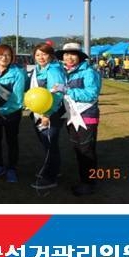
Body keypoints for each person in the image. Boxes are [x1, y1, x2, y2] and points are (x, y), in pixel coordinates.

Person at [58, 41, 102, 196]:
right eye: (66, 54)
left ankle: (89, 183)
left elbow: (91, 94)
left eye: (73, 54)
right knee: (78, 148)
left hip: (87, 116)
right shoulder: (65, 72)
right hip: (72, 116)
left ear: (79, 56)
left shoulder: (89, 72)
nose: (69, 57)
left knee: (86, 150)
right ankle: (84, 178)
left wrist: (67, 90)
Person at [28, 40, 67, 195]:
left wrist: (47, 115)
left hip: (52, 113)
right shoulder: (38, 69)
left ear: (50, 55)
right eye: (38, 54)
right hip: (39, 112)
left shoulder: (54, 70)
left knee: (50, 145)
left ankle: (50, 178)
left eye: (44, 54)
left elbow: (57, 94)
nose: (41, 57)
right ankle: (54, 170)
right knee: (47, 144)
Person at [0, 43, 26, 182]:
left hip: (12, 113)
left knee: (12, 141)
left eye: (8, 55)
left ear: (12, 57)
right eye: (1, 55)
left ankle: (11, 169)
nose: (4, 58)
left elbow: (17, 98)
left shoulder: (18, 72)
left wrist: (1, 110)